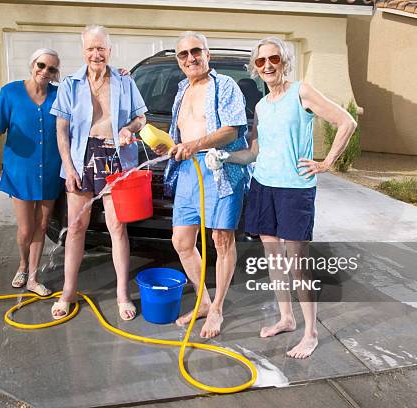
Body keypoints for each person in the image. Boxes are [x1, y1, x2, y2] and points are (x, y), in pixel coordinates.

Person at [222, 37, 357, 358]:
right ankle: (286, 318)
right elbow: (254, 152)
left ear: (284, 62)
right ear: (255, 67)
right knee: (274, 259)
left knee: (297, 262)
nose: (268, 65)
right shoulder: (261, 106)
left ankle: (310, 332)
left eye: (274, 59)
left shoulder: (302, 92)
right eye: (261, 61)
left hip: (295, 190)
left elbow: (346, 121)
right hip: (264, 187)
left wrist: (327, 163)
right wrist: (223, 157)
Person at [153, 32, 249, 338]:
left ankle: (218, 309)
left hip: (218, 170)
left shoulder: (225, 86)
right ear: (179, 61)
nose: (190, 58)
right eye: (183, 54)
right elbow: (181, 134)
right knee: (181, 242)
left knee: (221, 241)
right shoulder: (181, 89)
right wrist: (169, 146)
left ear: (207, 54)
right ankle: (204, 302)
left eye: (196, 51)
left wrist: (194, 145)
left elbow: (233, 130)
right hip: (187, 172)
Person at [50, 25, 147, 321]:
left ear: (109, 50)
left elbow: (141, 117)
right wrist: (68, 166)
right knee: (77, 227)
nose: (96, 53)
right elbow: (62, 129)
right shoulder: (70, 84)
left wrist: (128, 129)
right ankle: (68, 291)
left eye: (101, 48)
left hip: (115, 157)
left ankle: (121, 293)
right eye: (91, 48)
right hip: (82, 157)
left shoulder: (123, 80)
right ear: (83, 51)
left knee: (117, 228)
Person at [0, 48, 63, 297]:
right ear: (32, 65)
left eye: (51, 69)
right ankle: (22, 264)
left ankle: (33, 277)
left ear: (55, 74)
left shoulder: (60, 95)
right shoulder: (10, 92)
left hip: (51, 168)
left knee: (42, 224)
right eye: (41, 65)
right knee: (25, 228)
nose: (45, 71)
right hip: (20, 169)